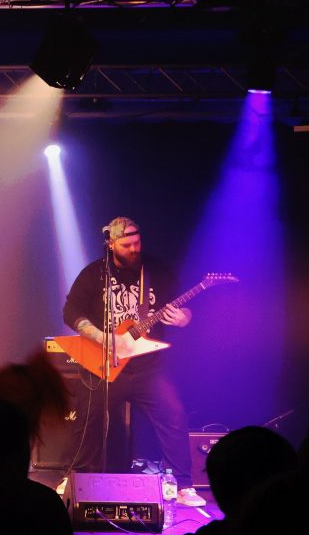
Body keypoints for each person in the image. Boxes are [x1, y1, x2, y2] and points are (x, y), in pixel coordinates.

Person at [62, 216, 205, 506]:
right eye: (126, 244)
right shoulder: (94, 274)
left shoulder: (157, 272)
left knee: (173, 416)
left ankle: (183, 485)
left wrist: (184, 319)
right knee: (87, 418)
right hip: (104, 363)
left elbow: (186, 310)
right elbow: (71, 311)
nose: (134, 249)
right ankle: (74, 477)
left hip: (147, 367)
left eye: (137, 242)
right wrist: (103, 337)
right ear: (110, 244)